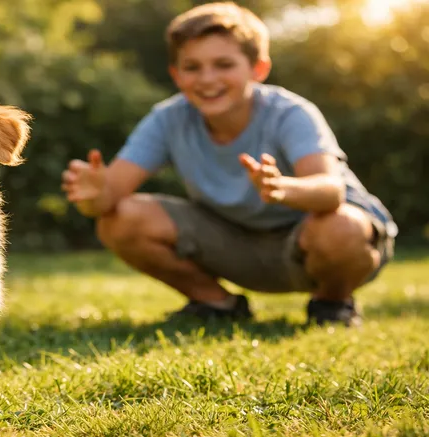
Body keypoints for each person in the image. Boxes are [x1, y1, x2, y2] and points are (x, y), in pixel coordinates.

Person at [61, 1, 397, 327]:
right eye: (192, 67)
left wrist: (282, 188)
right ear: (176, 75)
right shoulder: (168, 119)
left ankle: (332, 303)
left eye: (224, 65)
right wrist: (93, 196)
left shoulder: (291, 113)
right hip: (236, 242)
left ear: (258, 69)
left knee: (341, 227)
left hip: (322, 241)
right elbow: (109, 199)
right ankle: (217, 303)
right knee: (118, 219)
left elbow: (330, 192)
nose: (207, 79)